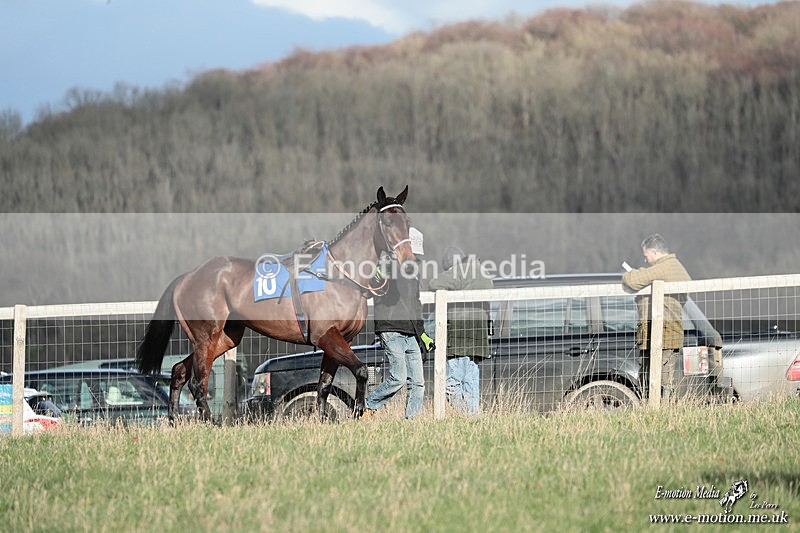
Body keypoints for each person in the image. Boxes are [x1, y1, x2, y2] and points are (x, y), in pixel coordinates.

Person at [364, 227, 434, 419]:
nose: (415, 258)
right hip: (391, 329)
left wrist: (423, 334)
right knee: (398, 378)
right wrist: (379, 275)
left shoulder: (414, 272)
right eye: (413, 253)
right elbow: (374, 287)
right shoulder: (387, 263)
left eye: (417, 255)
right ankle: (367, 406)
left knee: (418, 383)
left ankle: (411, 423)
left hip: (411, 333)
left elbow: (415, 304)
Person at [622, 234, 691, 403]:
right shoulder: (674, 267)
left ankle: (658, 409)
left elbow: (632, 280)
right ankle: (657, 407)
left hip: (663, 334)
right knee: (657, 377)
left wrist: (630, 273)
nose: (645, 260)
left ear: (654, 252)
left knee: (659, 379)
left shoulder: (664, 267)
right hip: (665, 332)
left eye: (646, 255)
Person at [428, 246, 493, 415]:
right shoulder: (482, 272)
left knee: (450, 385)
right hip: (478, 337)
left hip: (459, 337)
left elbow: (434, 283)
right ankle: (474, 418)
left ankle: (466, 415)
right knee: (470, 383)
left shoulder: (459, 272)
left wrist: (451, 274)